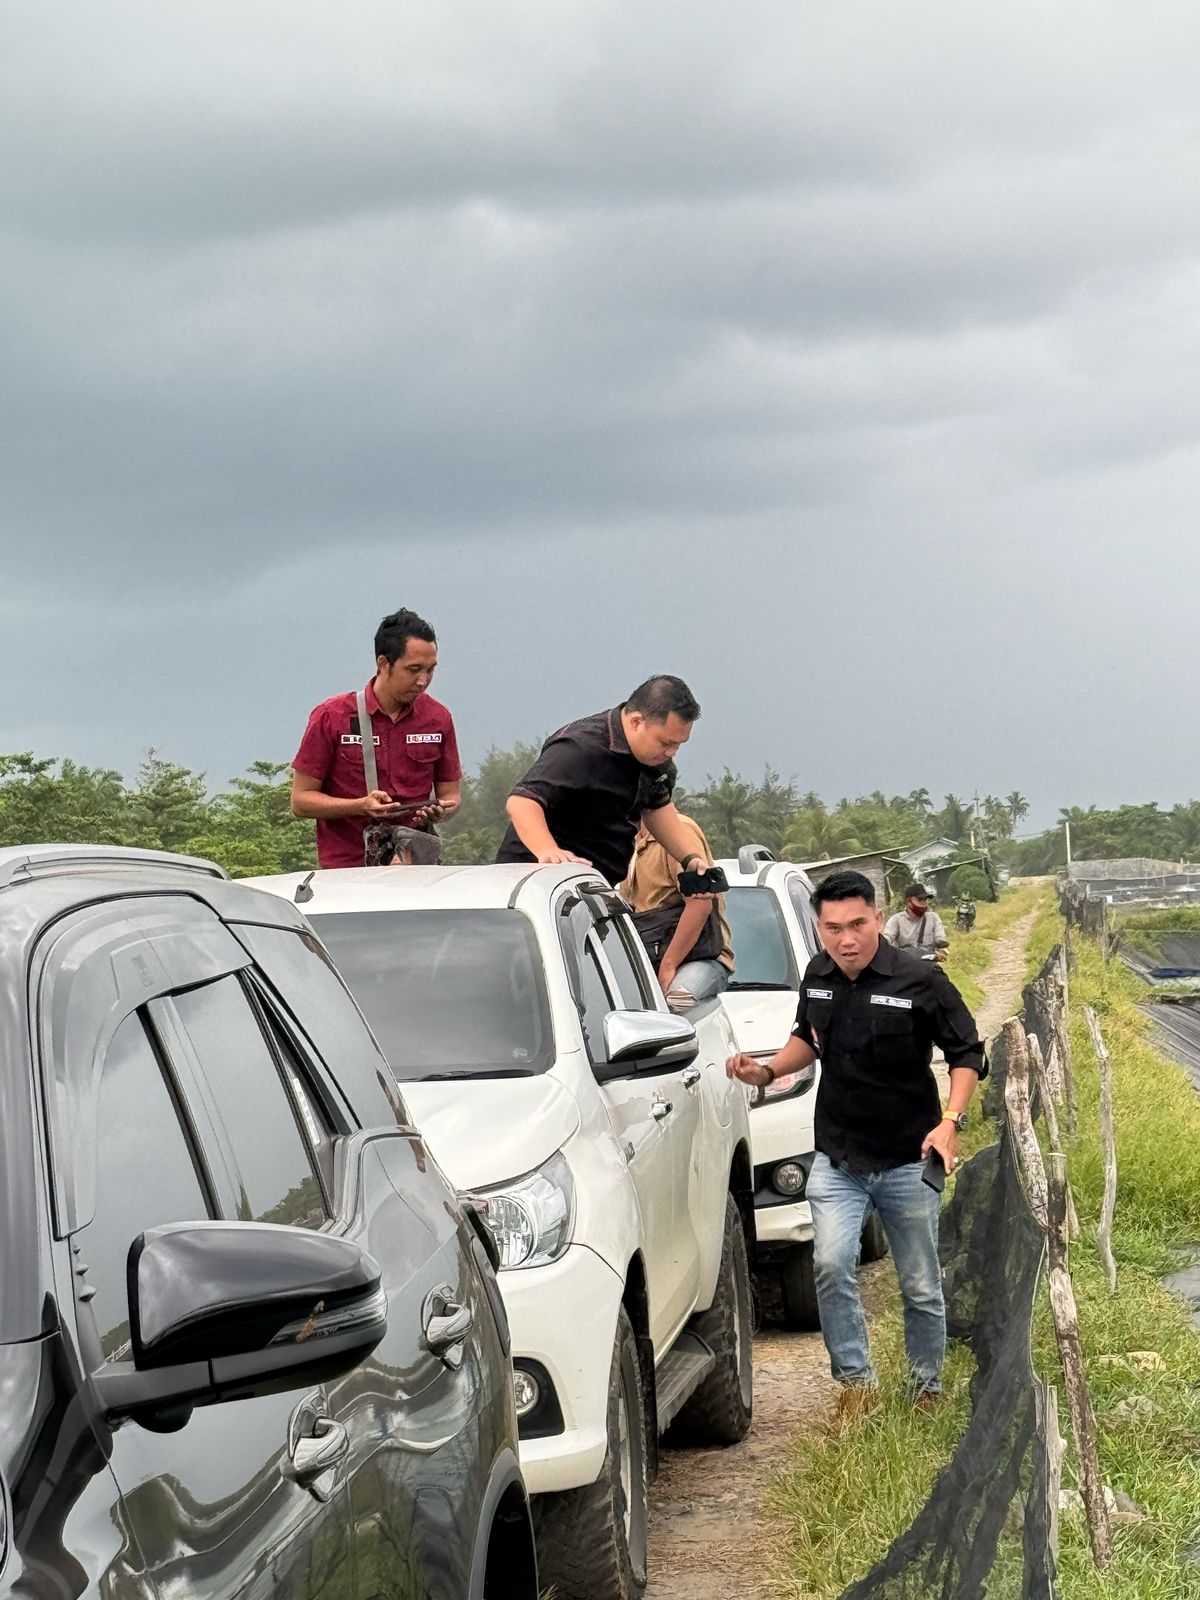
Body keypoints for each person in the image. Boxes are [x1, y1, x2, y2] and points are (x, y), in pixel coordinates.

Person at [726, 869, 985, 1421]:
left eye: (858, 925)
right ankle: (856, 1386)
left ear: (877, 918)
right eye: (833, 927)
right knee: (830, 1264)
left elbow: (967, 1053)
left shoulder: (919, 980)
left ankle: (926, 1390)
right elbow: (808, 1039)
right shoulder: (817, 974)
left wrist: (951, 1121)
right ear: (819, 928)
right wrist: (767, 1071)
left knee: (918, 1282)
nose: (846, 939)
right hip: (838, 1158)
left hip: (908, 1159)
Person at [496, 675, 711, 888]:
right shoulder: (580, 747)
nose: (671, 753)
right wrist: (548, 851)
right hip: (538, 885)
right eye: (666, 743)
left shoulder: (653, 760)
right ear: (636, 722)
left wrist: (690, 859)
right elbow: (521, 802)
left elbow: (656, 809)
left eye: (678, 745)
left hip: (592, 888)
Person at [291, 608, 462, 868]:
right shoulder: (332, 716)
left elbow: (451, 795)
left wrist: (442, 811)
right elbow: (301, 801)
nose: (423, 681)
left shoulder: (438, 718)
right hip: (347, 872)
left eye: (430, 670)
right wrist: (360, 805)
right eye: (413, 669)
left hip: (415, 869)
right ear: (383, 663)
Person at [620, 811, 734, 1005]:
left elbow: (699, 904)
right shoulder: (634, 840)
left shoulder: (679, 832)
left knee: (674, 1002)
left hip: (699, 958)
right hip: (649, 957)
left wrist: (668, 966)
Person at [883, 883, 949, 962]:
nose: (924, 902)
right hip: (905, 963)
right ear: (908, 902)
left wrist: (942, 950)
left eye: (925, 899)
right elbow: (886, 939)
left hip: (928, 965)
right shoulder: (896, 920)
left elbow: (941, 939)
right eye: (920, 899)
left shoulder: (933, 918)